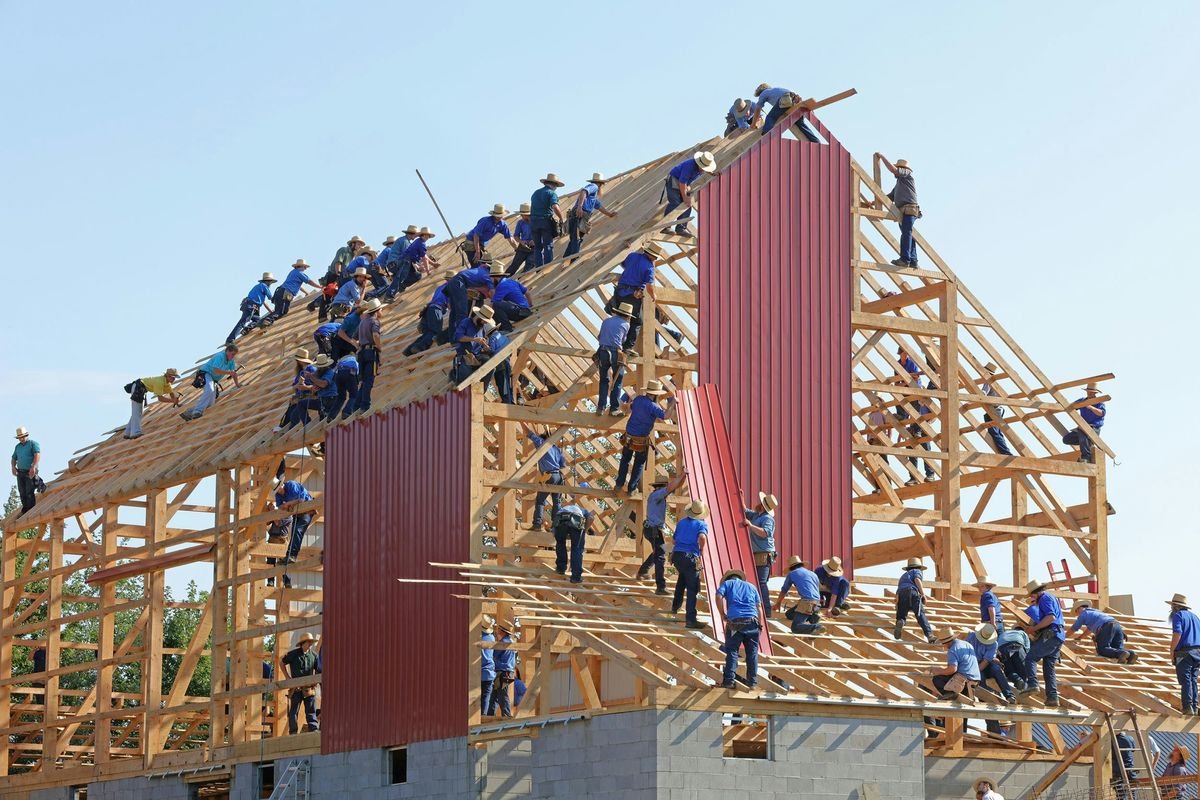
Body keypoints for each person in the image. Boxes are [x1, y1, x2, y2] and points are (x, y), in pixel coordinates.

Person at [604, 241, 668, 352]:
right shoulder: (649, 267)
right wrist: (654, 296)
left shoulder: (632, 256)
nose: (656, 259)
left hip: (620, 292)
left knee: (621, 316)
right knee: (637, 321)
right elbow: (650, 286)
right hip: (632, 296)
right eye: (655, 257)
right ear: (652, 255)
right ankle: (627, 347)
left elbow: (623, 264)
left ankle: (617, 342)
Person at [613, 381, 675, 493]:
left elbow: (629, 408)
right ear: (656, 394)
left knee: (625, 460)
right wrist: (673, 404)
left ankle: (619, 484)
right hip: (640, 440)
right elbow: (666, 416)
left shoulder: (638, 399)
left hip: (629, 437)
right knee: (639, 464)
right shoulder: (653, 407)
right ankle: (631, 489)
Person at [1017, 579, 1066, 707]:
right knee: (1049, 668)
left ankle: (1033, 684)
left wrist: (1033, 628)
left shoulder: (1044, 598)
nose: (1032, 597)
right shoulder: (1051, 597)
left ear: (1036, 592)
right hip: (1058, 635)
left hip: (1051, 633)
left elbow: (1051, 618)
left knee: (1030, 658)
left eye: (1032, 595)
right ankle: (1052, 697)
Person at [637, 470, 687, 595]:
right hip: (653, 530)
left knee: (660, 551)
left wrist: (684, 476)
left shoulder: (657, 495)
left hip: (652, 529)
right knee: (660, 557)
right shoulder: (658, 495)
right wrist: (681, 474)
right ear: (662, 487)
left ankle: (643, 571)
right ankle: (660, 586)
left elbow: (675, 486)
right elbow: (671, 487)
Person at [894, 346, 936, 485]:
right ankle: (913, 477)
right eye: (904, 353)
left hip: (922, 425)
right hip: (913, 421)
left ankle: (930, 474)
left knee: (926, 450)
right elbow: (896, 381)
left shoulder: (923, 399)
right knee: (911, 449)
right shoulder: (899, 363)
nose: (904, 355)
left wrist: (926, 424)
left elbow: (934, 415)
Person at [716, 569, 763, 690]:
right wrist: (760, 625)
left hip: (735, 622)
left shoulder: (727, 584)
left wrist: (722, 614)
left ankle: (729, 681)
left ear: (728, 578)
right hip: (753, 622)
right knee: (752, 654)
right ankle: (752, 682)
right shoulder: (751, 587)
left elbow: (718, 596)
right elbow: (759, 608)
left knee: (732, 652)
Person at [877, 154, 921, 269]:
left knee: (906, 233)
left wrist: (882, 157)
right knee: (908, 234)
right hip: (904, 211)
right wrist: (874, 202)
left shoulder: (907, 174)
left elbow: (893, 170)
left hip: (909, 209)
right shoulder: (900, 183)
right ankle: (913, 260)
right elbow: (890, 197)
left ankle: (905, 259)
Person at [671, 501, 710, 630]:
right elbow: (702, 537)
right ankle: (690, 620)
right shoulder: (701, 524)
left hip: (677, 555)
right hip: (690, 557)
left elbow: (674, 539)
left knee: (682, 579)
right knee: (692, 589)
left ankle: (675, 606)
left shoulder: (682, 522)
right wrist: (702, 550)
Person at [660, 151, 716, 237]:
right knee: (675, 203)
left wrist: (712, 173)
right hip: (674, 181)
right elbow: (682, 183)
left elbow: (684, 184)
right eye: (703, 168)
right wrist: (685, 197)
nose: (703, 170)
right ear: (699, 164)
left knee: (687, 205)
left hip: (684, 184)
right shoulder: (689, 166)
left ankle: (681, 228)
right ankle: (666, 227)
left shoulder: (701, 167)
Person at [522, 423, 565, 529]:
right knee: (557, 502)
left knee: (540, 501)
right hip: (559, 477)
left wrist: (521, 422)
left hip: (548, 475)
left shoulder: (541, 443)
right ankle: (556, 526)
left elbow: (530, 433)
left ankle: (537, 524)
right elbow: (562, 465)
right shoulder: (556, 449)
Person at [181, 344, 241, 421]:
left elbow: (234, 373)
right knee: (209, 390)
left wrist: (237, 384)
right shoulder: (220, 356)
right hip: (205, 374)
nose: (233, 356)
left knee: (211, 402)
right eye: (232, 354)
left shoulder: (231, 361)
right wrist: (229, 373)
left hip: (213, 379)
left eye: (234, 355)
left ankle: (189, 412)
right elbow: (215, 370)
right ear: (227, 351)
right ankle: (197, 411)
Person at [564, 172, 617, 258]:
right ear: (601, 184)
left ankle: (566, 259)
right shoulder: (594, 186)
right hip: (580, 214)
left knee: (575, 238)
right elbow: (583, 192)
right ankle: (573, 258)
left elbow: (599, 206)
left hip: (579, 215)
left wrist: (609, 214)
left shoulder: (593, 196)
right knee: (577, 238)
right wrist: (580, 207)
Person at [742, 491, 778, 616]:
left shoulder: (767, 518)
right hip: (759, 553)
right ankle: (762, 610)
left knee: (761, 583)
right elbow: (745, 510)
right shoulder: (758, 515)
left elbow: (765, 533)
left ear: (762, 505)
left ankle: (766, 611)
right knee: (757, 582)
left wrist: (751, 526)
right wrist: (741, 497)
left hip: (764, 554)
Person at [275, 479, 314, 588]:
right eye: (277, 491)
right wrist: (291, 504)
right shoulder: (279, 494)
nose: (279, 492)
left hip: (307, 509)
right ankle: (289, 556)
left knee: (298, 531)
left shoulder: (291, 485)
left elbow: (301, 499)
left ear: (282, 484)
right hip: (298, 513)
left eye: (279, 489)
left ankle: (292, 556)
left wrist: (287, 504)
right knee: (295, 533)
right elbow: (280, 506)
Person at [595, 302, 633, 414]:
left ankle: (600, 407)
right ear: (627, 316)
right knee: (617, 380)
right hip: (616, 353)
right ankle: (614, 408)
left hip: (602, 351)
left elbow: (599, 337)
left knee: (604, 380)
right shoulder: (626, 325)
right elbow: (623, 341)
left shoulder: (606, 321)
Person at [382, 227, 439, 301]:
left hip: (401, 262)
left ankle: (401, 286)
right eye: (426, 235)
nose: (427, 237)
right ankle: (389, 296)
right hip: (397, 263)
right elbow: (410, 257)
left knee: (416, 275)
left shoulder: (416, 242)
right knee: (400, 277)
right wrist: (427, 271)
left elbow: (424, 255)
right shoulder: (406, 241)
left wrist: (433, 264)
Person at [1070, 599, 1137, 663]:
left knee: (1102, 650)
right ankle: (1132, 654)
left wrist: (1063, 637)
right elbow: (1089, 630)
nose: (1077, 614)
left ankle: (1122, 653)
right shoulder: (1096, 612)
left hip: (1106, 627)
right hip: (1117, 626)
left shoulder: (1084, 614)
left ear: (1078, 608)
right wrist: (1079, 638)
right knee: (1117, 648)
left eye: (1076, 612)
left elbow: (1074, 628)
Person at [403, 273, 453, 356]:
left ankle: (409, 350)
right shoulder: (451, 288)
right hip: (436, 309)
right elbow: (449, 304)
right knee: (435, 331)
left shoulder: (440, 287)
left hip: (429, 309)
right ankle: (419, 347)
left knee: (428, 332)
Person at [123, 368, 181, 439]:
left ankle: (128, 432)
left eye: (175, 378)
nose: (174, 379)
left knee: (137, 411)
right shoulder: (159, 382)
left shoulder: (167, 383)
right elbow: (160, 399)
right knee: (137, 411)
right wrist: (173, 401)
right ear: (168, 376)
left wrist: (177, 403)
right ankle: (135, 432)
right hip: (138, 387)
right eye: (173, 377)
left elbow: (171, 394)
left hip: (141, 388)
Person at [281, 632, 321, 734]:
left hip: (308, 688)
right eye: (309, 642)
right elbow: (282, 662)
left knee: (311, 710)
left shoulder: (313, 656)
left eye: (311, 642)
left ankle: (313, 729)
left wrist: (315, 680)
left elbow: (319, 669)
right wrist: (287, 678)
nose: (310, 644)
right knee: (294, 711)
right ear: (303, 643)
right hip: (296, 688)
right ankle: (293, 732)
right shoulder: (293, 654)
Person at [775, 556, 825, 635]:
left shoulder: (792, 574)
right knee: (789, 614)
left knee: (795, 627)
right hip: (817, 603)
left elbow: (784, 590)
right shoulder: (813, 574)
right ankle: (812, 617)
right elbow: (818, 589)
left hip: (807, 603)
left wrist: (778, 603)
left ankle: (816, 627)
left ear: (791, 568)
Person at [261, 259, 322, 325]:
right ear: (301, 266)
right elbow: (309, 281)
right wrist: (320, 287)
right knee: (282, 311)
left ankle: (262, 322)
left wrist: (306, 292)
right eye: (304, 267)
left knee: (277, 311)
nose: (305, 269)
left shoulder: (293, 272)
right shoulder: (300, 273)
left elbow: (298, 286)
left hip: (280, 292)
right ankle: (267, 320)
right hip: (285, 293)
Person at [1168, 593, 1200, 715]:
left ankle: (1187, 707)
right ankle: (1194, 706)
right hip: (1197, 652)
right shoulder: (1195, 617)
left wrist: (1172, 651)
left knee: (1185, 679)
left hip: (1184, 653)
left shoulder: (1178, 615)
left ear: (1176, 606)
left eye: (1172, 606)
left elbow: (1177, 634)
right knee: (1192, 679)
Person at [444, 262, 496, 337]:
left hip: (456, 282)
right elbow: (492, 293)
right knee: (462, 313)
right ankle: (461, 337)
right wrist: (495, 302)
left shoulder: (480, 270)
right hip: (460, 282)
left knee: (454, 314)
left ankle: (453, 339)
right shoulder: (488, 276)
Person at [351, 298, 383, 416]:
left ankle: (356, 406)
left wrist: (360, 346)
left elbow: (354, 338)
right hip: (370, 353)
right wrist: (379, 347)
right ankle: (365, 405)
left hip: (361, 354)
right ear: (377, 310)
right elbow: (375, 335)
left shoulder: (362, 322)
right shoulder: (374, 321)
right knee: (369, 381)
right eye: (381, 309)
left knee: (364, 381)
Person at [969, 623, 1016, 705]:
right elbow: (966, 654)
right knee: (980, 678)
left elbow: (986, 661)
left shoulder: (993, 644)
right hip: (972, 663)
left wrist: (975, 672)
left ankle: (1009, 695)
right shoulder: (972, 637)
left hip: (985, 664)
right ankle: (992, 693)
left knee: (997, 670)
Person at [750, 83, 817, 139]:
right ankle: (815, 141)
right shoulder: (776, 89)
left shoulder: (764, 93)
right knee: (800, 124)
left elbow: (758, 109)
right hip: (794, 100)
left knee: (770, 118)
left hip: (785, 100)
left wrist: (753, 124)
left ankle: (770, 136)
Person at [930, 627, 981, 701]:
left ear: (946, 642)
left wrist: (938, 671)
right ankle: (950, 693)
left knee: (937, 679)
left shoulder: (953, 650)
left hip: (964, 681)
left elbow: (952, 669)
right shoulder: (966, 644)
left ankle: (950, 693)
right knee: (945, 675)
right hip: (976, 680)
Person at [226, 272, 276, 343]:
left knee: (257, 321)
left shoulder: (259, 288)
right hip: (251, 306)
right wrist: (278, 304)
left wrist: (271, 312)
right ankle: (230, 339)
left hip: (252, 306)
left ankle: (246, 329)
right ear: (268, 281)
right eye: (270, 282)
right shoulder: (264, 286)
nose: (270, 284)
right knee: (242, 322)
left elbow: (264, 303)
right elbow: (271, 298)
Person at [552, 498, 594, 584]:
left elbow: (555, 526)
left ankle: (560, 569)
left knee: (560, 544)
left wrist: (560, 535)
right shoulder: (582, 510)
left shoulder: (561, 510)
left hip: (560, 521)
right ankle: (575, 577)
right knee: (577, 548)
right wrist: (585, 530)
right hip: (576, 520)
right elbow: (591, 517)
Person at [1063, 383, 1107, 464]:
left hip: (1094, 429)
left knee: (1082, 431)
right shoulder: (1083, 401)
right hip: (1083, 428)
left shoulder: (1099, 402)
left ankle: (1086, 457)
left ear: (1095, 393)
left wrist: (1090, 407)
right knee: (1066, 439)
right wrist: (1063, 403)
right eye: (1088, 391)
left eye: (1092, 392)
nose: (1089, 393)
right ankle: (1087, 443)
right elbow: (1072, 406)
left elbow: (1101, 413)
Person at [529, 172, 565, 268]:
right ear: (554, 184)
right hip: (545, 221)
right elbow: (555, 207)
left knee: (537, 247)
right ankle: (548, 267)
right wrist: (561, 219)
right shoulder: (552, 193)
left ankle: (539, 268)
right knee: (548, 245)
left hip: (533, 222)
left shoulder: (535, 193)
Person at [894, 557, 935, 642]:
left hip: (902, 595)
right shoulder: (917, 571)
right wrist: (923, 594)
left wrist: (897, 603)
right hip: (913, 593)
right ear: (919, 567)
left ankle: (900, 621)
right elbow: (917, 579)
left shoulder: (902, 577)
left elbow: (898, 591)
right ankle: (929, 635)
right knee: (920, 614)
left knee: (901, 615)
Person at [979, 363, 1014, 456]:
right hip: (997, 409)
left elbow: (983, 393)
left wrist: (970, 399)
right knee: (997, 432)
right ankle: (1005, 452)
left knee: (994, 432)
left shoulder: (988, 381)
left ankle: (1006, 453)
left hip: (995, 409)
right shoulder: (994, 382)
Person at [488, 620, 518, 717]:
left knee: (501, 694)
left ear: (502, 631)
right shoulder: (511, 642)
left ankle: (506, 715)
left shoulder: (502, 643)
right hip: (508, 671)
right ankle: (491, 714)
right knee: (496, 694)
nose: (496, 631)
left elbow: (493, 655)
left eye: (498, 629)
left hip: (502, 671)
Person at [11, 428, 41, 514]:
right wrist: (13, 467)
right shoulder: (18, 447)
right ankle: (25, 508)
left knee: (29, 490)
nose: (21, 439)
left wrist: (33, 466)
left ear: (27, 435)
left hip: (30, 471)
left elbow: (37, 455)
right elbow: (13, 458)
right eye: (20, 437)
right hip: (20, 472)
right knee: (22, 491)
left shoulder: (32, 444)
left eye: (23, 437)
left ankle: (31, 509)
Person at [996, 626, 1030, 690]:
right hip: (1017, 646)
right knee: (1023, 669)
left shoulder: (1004, 633)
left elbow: (997, 648)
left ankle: (1017, 679)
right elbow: (1027, 649)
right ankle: (1024, 687)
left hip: (1003, 649)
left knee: (1009, 670)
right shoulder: (1022, 633)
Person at [508, 203, 535, 275]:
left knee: (529, 267)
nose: (521, 216)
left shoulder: (536, 221)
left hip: (535, 248)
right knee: (514, 266)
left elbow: (542, 233)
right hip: (523, 247)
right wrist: (521, 241)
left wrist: (535, 240)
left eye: (522, 214)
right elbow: (516, 236)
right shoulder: (520, 223)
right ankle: (502, 281)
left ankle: (522, 281)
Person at [332, 351, 359, 421]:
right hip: (349, 372)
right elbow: (357, 375)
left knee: (341, 397)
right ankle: (346, 412)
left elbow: (333, 372)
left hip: (338, 374)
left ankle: (331, 416)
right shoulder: (355, 359)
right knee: (354, 395)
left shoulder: (341, 360)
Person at [311, 355, 338, 421]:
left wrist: (312, 378)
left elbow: (323, 384)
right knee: (323, 418)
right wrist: (314, 390)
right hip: (322, 398)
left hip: (330, 398)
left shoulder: (330, 372)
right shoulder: (318, 374)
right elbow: (315, 388)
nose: (319, 368)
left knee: (328, 419)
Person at [480, 617, 497, 715]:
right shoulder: (491, 638)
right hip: (489, 671)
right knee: (486, 696)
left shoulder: (477, 636)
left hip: (478, 671)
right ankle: (483, 715)